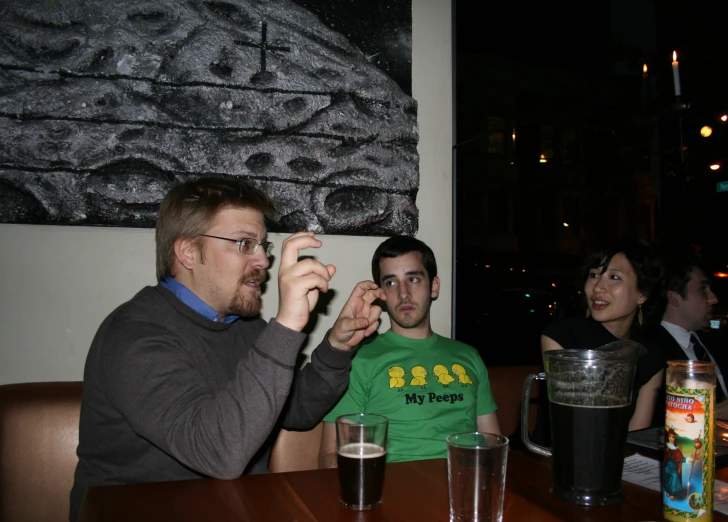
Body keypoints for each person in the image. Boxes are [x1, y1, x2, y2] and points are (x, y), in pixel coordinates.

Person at [70, 177, 384, 521]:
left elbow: (296, 411)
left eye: (263, 245)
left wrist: (337, 346)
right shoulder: (134, 335)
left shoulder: (245, 329)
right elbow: (219, 454)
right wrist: (286, 325)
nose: (264, 261)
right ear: (188, 252)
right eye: (244, 243)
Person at [317, 236, 500, 467]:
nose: (403, 294)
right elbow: (330, 456)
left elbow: (493, 444)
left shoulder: (469, 356)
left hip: (463, 486)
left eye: (413, 279)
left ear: (433, 287)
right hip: (391, 491)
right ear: (381, 293)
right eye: (391, 283)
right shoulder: (358, 359)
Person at [539, 240, 664, 432]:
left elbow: (637, 434)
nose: (598, 287)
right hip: (560, 453)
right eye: (594, 275)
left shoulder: (650, 354)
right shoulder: (562, 336)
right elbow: (576, 422)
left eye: (614, 277)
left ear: (642, 294)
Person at [642, 256, 728, 424]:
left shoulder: (716, 344)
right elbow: (647, 424)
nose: (713, 298)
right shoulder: (646, 349)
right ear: (673, 297)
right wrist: (714, 413)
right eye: (702, 289)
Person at [663, 429, 686, 500]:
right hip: (667, 467)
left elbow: (680, 458)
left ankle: (672, 493)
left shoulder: (675, 449)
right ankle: (669, 492)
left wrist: (688, 460)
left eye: (673, 437)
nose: (671, 438)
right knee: (667, 479)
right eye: (670, 436)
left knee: (674, 478)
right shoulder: (666, 446)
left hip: (674, 467)